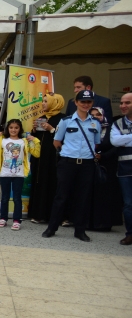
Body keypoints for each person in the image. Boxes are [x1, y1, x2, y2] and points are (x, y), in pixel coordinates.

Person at [42, 90, 102, 242]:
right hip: (68, 163)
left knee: (83, 198)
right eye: (82, 101)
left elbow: (96, 143)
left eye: (88, 102)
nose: (85, 104)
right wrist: (67, 154)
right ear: (76, 102)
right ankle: (52, 227)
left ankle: (80, 230)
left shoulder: (95, 123)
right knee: (61, 196)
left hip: (87, 165)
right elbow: (57, 142)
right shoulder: (66, 121)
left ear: (92, 103)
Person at [0, 119, 40, 230]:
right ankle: (3, 218)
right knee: (4, 198)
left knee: (17, 198)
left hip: (19, 174)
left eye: (16, 128)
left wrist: (36, 140)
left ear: (20, 129)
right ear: (7, 129)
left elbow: (37, 153)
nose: (13, 130)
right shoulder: (3, 140)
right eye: (11, 127)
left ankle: (17, 220)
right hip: (4, 173)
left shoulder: (23, 141)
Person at [28, 94, 66, 224]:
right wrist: (33, 130)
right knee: (40, 183)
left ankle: (54, 217)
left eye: (45, 101)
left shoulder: (63, 119)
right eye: (43, 101)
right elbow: (36, 138)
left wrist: (51, 129)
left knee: (54, 184)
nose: (43, 104)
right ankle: (38, 214)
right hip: (41, 159)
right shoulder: (42, 118)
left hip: (55, 159)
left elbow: (66, 138)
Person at [88, 107, 123, 232]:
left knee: (106, 195)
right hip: (90, 164)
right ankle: (90, 223)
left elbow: (117, 146)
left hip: (108, 166)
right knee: (91, 194)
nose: (96, 117)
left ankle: (104, 223)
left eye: (98, 114)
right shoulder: (87, 128)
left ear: (103, 115)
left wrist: (103, 156)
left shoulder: (111, 128)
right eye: (92, 115)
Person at [110, 92, 132, 245]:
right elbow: (115, 141)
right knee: (128, 204)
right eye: (122, 103)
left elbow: (121, 140)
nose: (123, 106)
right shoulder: (117, 123)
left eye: (127, 103)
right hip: (125, 170)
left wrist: (126, 140)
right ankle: (130, 234)